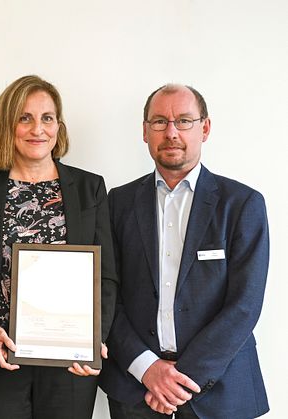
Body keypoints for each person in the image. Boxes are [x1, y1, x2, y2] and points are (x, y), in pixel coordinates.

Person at [0, 75, 118, 419]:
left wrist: (92, 340)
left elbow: (106, 277)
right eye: (25, 118)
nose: (38, 129)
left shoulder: (89, 188)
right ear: (7, 125)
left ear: (59, 126)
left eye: (47, 118)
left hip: (70, 361)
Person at [99, 84, 270, 419]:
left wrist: (179, 379)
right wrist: (148, 369)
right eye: (160, 122)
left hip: (221, 391)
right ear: (145, 132)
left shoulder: (242, 204)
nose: (172, 132)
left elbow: (244, 306)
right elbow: (106, 294)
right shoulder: (117, 203)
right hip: (137, 390)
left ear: (204, 128)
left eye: (184, 121)